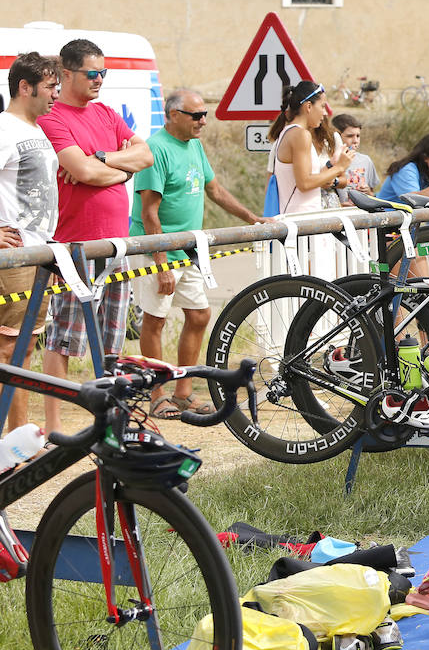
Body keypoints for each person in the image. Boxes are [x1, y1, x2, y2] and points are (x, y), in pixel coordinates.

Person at [37, 39, 153, 435]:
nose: (100, 80)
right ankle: (55, 427)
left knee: (112, 343)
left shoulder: (104, 112)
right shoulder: (54, 117)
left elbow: (145, 155)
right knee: (63, 341)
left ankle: (109, 422)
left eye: (104, 72)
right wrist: (121, 169)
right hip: (77, 244)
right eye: (92, 73)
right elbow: (80, 173)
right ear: (66, 73)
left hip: (115, 241)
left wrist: (104, 160)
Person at [130, 89, 264, 416]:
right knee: (155, 320)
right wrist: (161, 264)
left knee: (199, 314)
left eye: (205, 114)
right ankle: (156, 394)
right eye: (196, 115)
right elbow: (150, 213)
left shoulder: (194, 145)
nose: (203, 121)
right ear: (173, 115)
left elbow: (214, 189)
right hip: (154, 249)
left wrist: (251, 217)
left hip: (187, 249)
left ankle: (184, 391)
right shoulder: (156, 149)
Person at [0, 52, 59, 430]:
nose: (56, 94)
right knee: (10, 350)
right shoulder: (5, 128)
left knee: (22, 350)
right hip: (15, 254)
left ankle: (14, 442)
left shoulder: (35, 129)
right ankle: (10, 447)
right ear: (26, 87)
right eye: (51, 87)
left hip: (39, 249)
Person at [268, 81, 353, 215]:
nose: (325, 113)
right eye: (322, 106)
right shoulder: (301, 135)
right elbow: (304, 183)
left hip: (299, 219)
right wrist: (339, 167)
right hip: (302, 222)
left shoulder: (287, 133)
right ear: (308, 106)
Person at [331, 113, 380, 202]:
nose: (355, 141)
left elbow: (373, 195)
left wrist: (368, 192)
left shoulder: (366, 161)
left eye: (358, 136)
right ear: (336, 136)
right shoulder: (330, 161)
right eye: (350, 136)